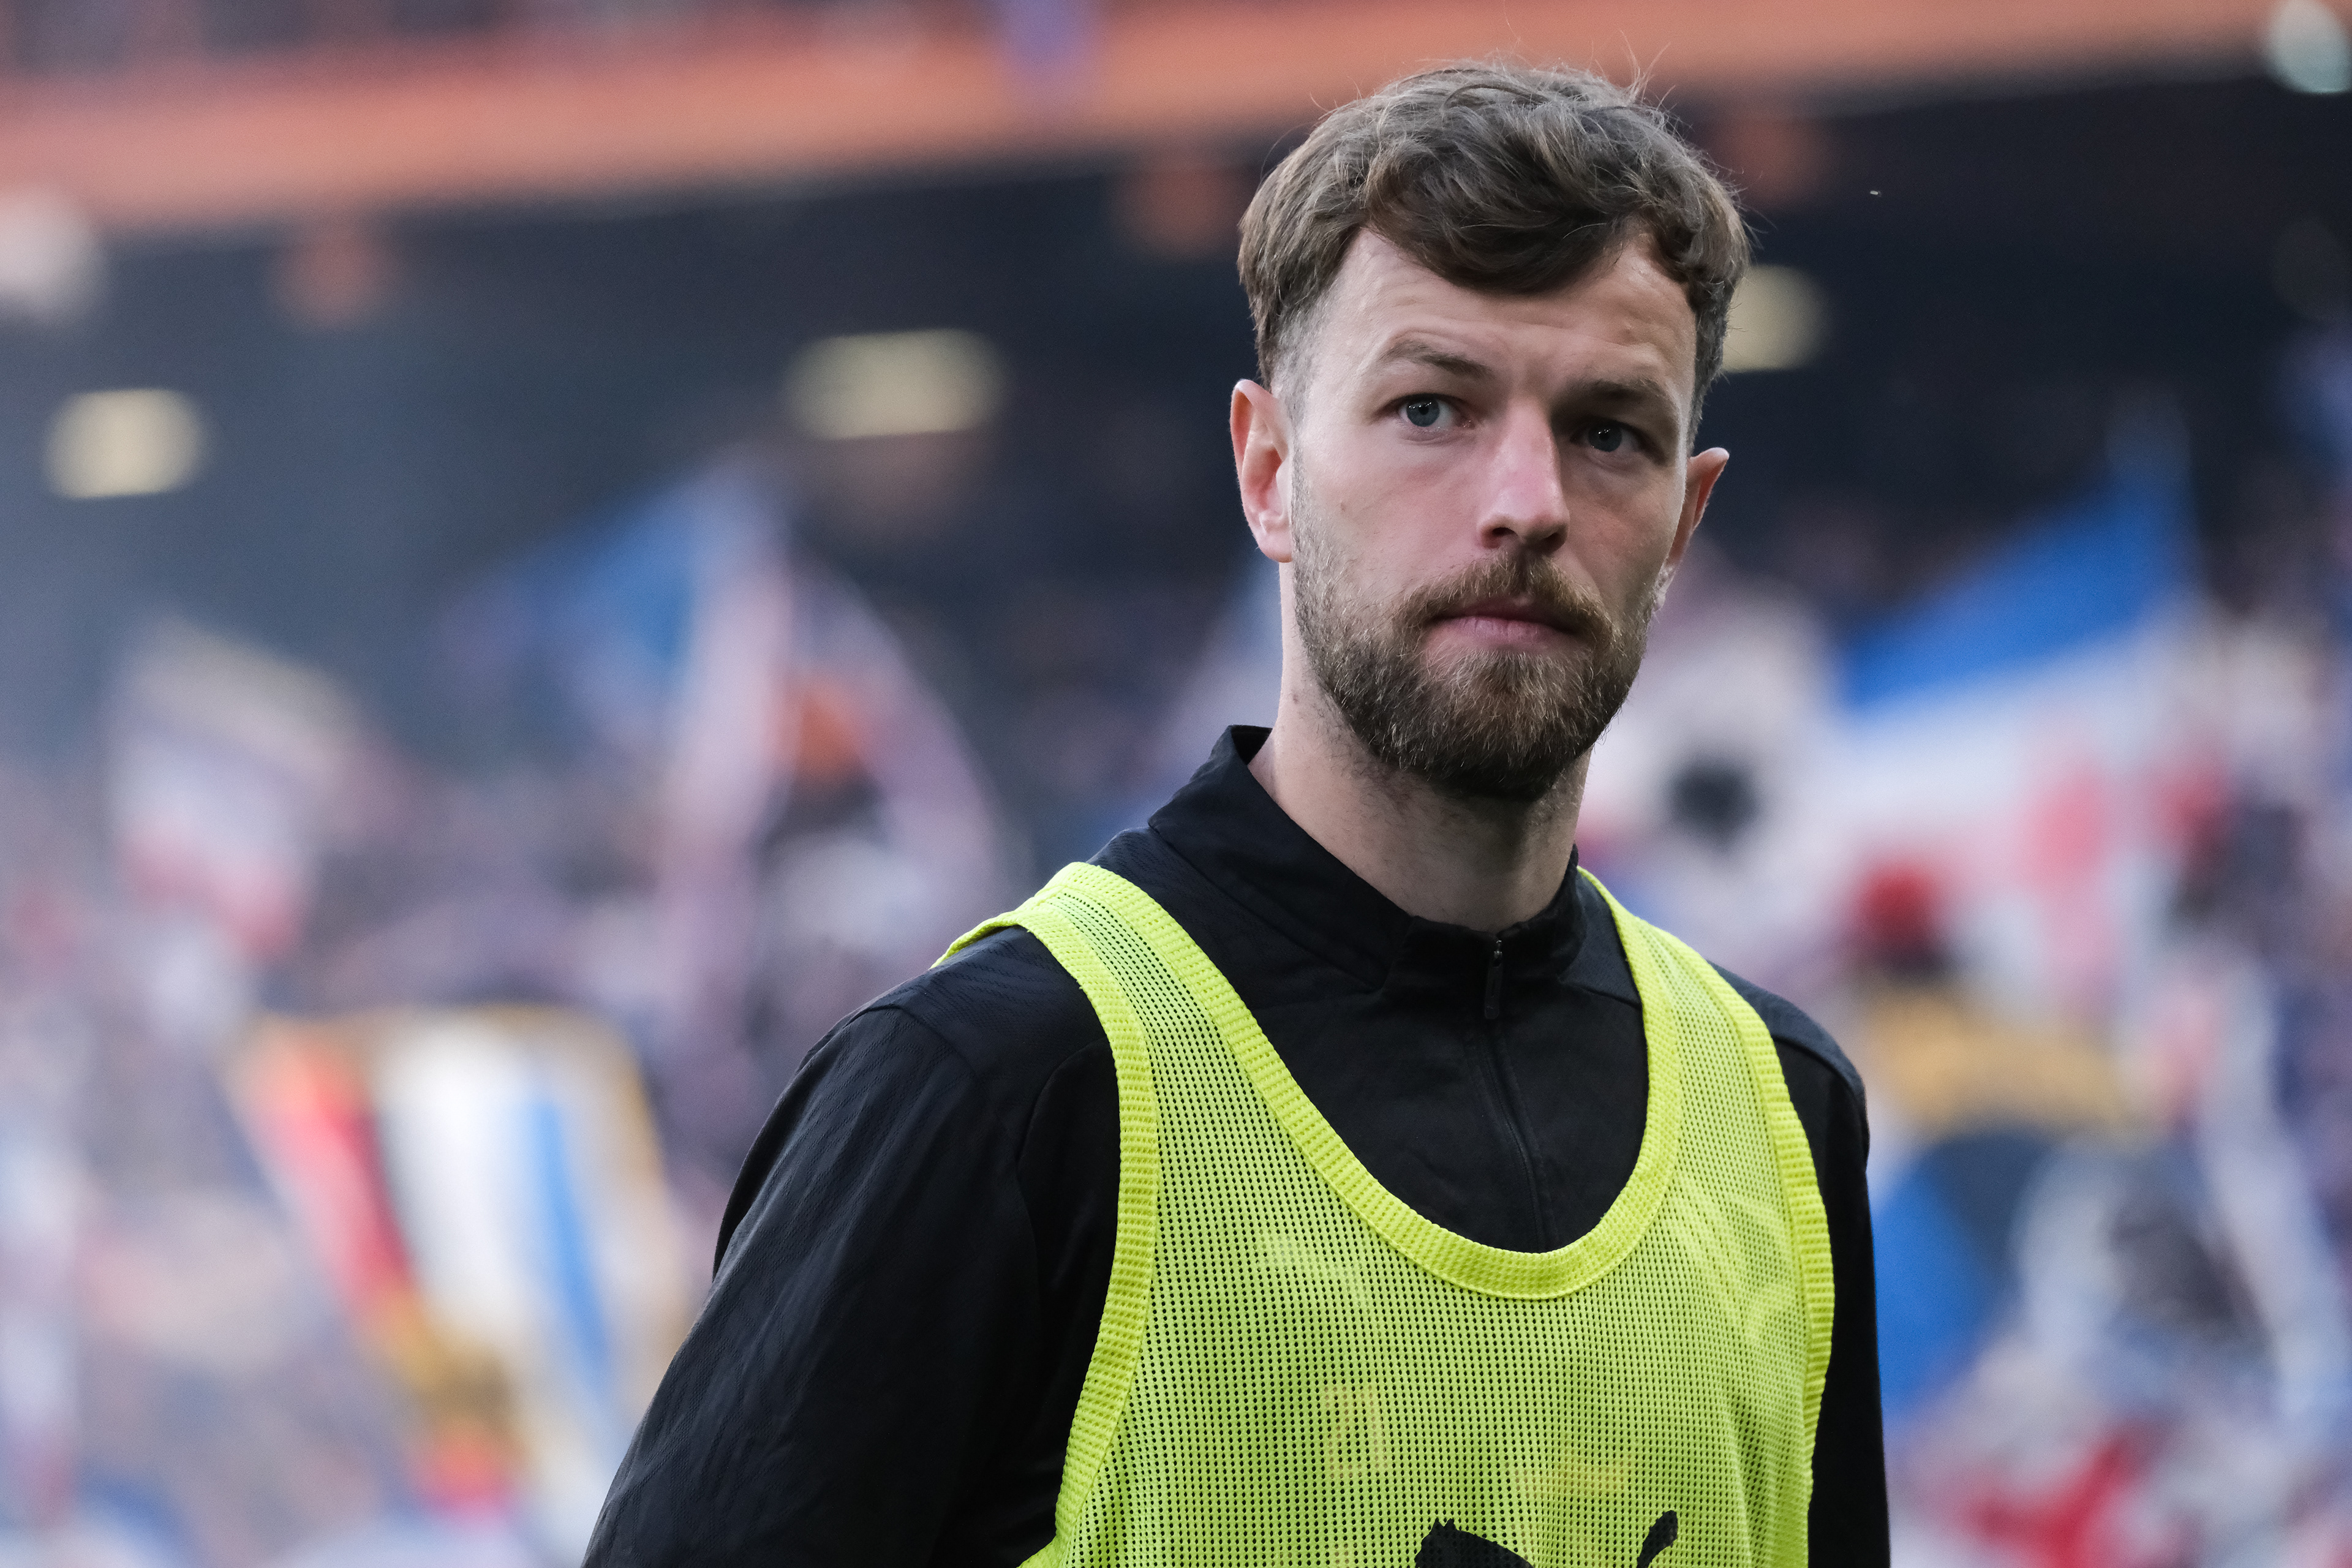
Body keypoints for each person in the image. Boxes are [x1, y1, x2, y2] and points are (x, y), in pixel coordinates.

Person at [589, 60, 1886, 1568]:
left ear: (1685, 520)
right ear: (1268, 472)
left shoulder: (1787, 1112)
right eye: (1430, 408)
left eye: (1610, 432)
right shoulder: (995, 1089)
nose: (1528, 499)